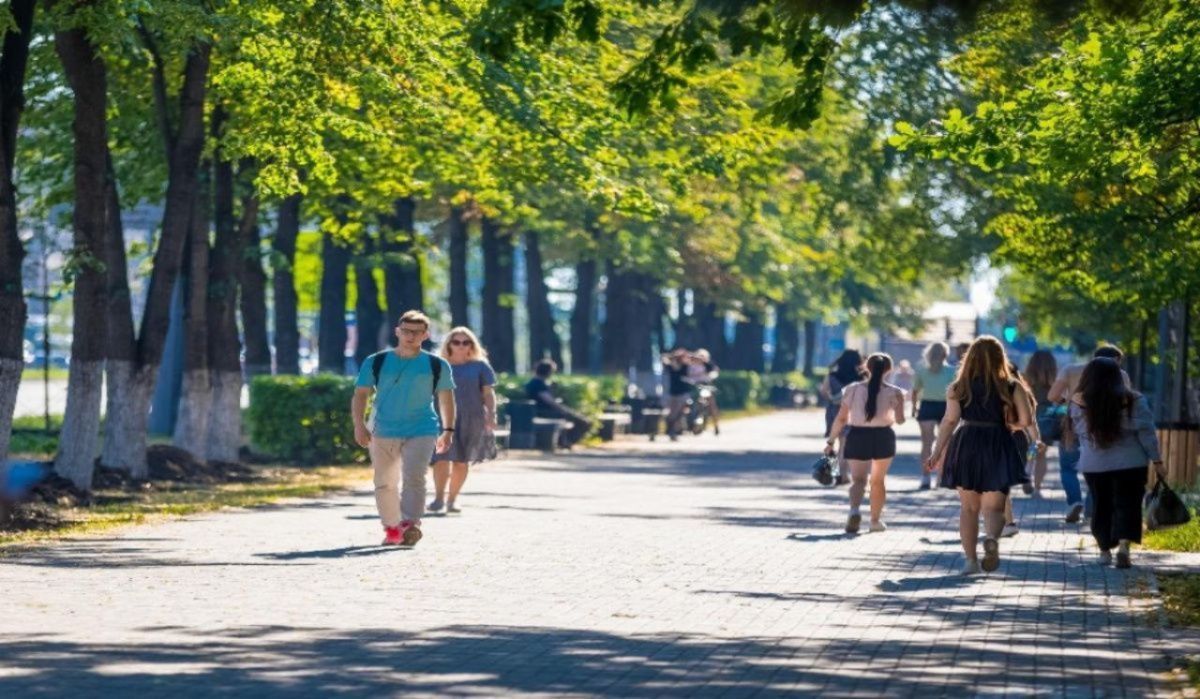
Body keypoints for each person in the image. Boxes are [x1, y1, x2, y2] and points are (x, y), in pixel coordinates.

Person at [927, 336, 1032, 574]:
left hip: (967, 443)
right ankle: (992, 539)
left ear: (970, 358)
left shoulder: (958, 387)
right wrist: (1011, 426)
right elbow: (1026, 420)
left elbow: (949, 421)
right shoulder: (1012, 385)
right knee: (994, 509)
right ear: (1000, 357)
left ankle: (971, 562)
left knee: (969, 509)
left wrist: (937, 452)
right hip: (998, 442)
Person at [352, 310, 456, 547]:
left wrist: (448, 430)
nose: (411, 336)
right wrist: (359, 425)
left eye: (417, 332)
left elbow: (446, 398)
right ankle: (391, 528)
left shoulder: (436, 364)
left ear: (425, 334)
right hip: (383, 429)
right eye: (406, 331)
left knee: (414, 477)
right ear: (397, 332)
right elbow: (360, 395)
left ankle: (410, 524)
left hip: (422, 428)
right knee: (385, 481)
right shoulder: (376, 361)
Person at [1069, 357, 1164, 568]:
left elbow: (1080, 432)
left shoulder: (1078, 402)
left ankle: (1104, 551)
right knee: (1128, 504)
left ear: (1088, 377)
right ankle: (1123, 546)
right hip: (1131, 462)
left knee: (1101, 505)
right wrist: (1157, 460)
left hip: (1095, 464)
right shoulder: (1135, 400)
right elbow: (1147, 433)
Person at [824, 353, 906, 534]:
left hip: (857, 436)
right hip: (884, 436)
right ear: (889, 369)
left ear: (865, 367)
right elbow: (900, 421)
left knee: (858, 480)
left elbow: (841, 418)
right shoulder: (895, 392)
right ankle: (875, 521)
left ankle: (854, 511)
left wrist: (831, 441)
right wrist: (899, 405)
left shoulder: (852, 389)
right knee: (877, 481)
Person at [1048, 345, 1130, 523]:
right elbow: (1126, 403)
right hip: (1103, 427)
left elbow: (1052, 395)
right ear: (1115, 360)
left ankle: (1074, 501)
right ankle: (1092, 510)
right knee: (1097, 468)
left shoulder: (1070, 369)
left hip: (1072, 424)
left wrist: (1068, 401)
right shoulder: (1121, 375)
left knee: (1068, 467)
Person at [429, 327, 498, 515]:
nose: (461, 346)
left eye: (466, 342)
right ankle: (438, 498)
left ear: (472, 345)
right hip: (442, 419)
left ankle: (452, 500)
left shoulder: (480, 366)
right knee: (441, 458)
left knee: (461, 461)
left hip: (471, 419)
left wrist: (491, 414)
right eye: (456, 342)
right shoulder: (438, 365)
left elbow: (488, 393)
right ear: (449, 344)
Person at [1002, 363, 1041, 538]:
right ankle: (1005, 521)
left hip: (1003, 437)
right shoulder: (1025, 394)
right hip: (1021, 439)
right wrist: (1035, 442)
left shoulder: (1002, 392)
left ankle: (1007, 522)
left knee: (999, 483)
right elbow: (1031, 423)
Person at [912, 342, 954, 490]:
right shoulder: (952, 371)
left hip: (927, 407)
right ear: (945, 354)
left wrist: (914, 408)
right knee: (944, 446)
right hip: (945, 408)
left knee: (926, 444)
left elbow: (915, 391)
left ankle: (925, 477)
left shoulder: (921, 369)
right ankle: (941, 478)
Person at [820, 349, 865, 485]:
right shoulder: (860, 377)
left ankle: (836, 473)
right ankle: (843, 475)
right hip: (852, 412)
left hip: (834, 411)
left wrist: (833, 399)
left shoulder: (832, 375)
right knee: (845, 446)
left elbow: (823, 391)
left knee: (833, 443)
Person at [526, 359, 592, 448]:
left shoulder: (537, 382)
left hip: (546, 411)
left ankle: (565, 441)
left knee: (579, 419)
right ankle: (565, 442)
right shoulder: (537, 384)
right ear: (548, 372)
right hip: (544, 412)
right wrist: (565, 410)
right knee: (584, 422)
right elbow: (550, 402)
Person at [1024, 349, 1058, 498]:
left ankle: (1026, 473)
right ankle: (1037, 489)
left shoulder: (1025, 379)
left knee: (1031, 448)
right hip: (1046, 418)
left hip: (1029, 417)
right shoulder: (1055, 381)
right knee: (1042, 455)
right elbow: (1060, 400)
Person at [686, 349, 721, 436]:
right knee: (691, 404)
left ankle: (716, 424)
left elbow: (715, 371)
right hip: (694, 387)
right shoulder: (690, 365)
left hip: (705, 385)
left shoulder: (708, 365)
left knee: (711, 405)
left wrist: (711, 376)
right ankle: (692, 424)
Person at [662, 348, 694, 441]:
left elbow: (691, 364)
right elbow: (664, 359)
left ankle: (674, 430)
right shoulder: (671, 365)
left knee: (680, 412)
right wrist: (671, 357)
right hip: (673, 393)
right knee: (672, 414)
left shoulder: (685, 366)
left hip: (683, 393)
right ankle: (671, 430)